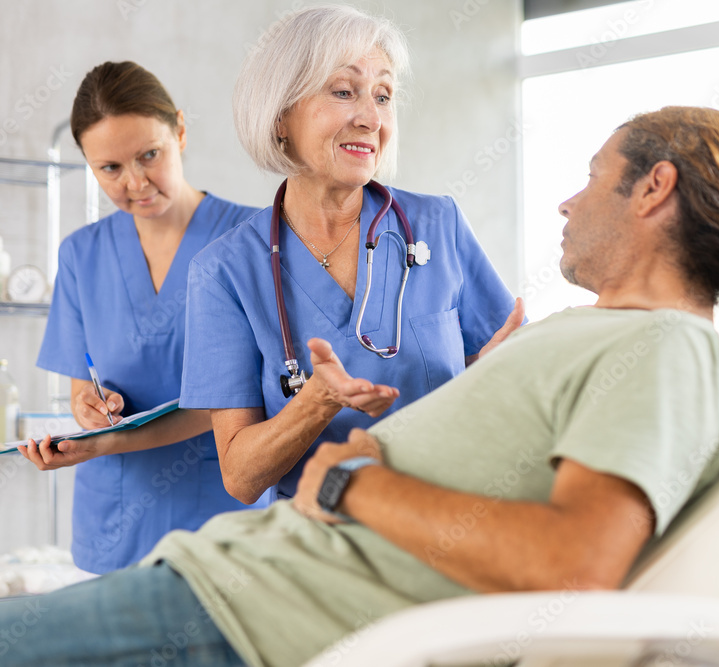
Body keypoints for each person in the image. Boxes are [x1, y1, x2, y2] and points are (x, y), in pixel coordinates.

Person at [0, 106, 719, 667]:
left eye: (592, 178)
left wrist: (352, 483)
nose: (567, 202)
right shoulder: (595, 335)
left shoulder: (668, 350)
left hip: (256, 610)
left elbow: (577, 563)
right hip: (235, 571)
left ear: (653, 189)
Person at [179, 4, 523, 505]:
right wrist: (316, 403)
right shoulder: (225, 272)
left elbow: (507, 371)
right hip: (321, 539)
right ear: (280, 117)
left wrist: (507, 376)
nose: (371, 118)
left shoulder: (438, 225)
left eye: (383, 96)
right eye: (343, 91)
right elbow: (241, 476)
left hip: (449, 521)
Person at [21, 61, 268, 574]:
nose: (135, 182)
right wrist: (92, 409)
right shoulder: (81, 254)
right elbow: (81, 388)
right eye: (110, 168)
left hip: (222, 514)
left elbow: (246, 393)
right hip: (114, 518)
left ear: (180, 131)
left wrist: (111, 439)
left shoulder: (251, 239)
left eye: (149, 155)